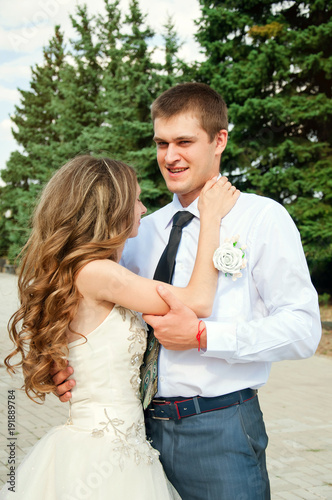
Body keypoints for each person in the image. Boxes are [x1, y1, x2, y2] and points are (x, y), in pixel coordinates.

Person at [54, 83, 322, 500]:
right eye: (161, 142)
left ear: (220, 140)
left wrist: (204, 337)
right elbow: (96, 309)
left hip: (219, 430)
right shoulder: (139, 229)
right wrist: (67, 364)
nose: (170, 156)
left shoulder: (263, 219)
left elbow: (305, 330)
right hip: (134, 432)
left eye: (184, 141)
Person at [1, 155, 239, 500]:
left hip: (114, 441)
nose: (142, 209)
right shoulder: (101, 274)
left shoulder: (86, 271)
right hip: (107, 453)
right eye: (136, 199)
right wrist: (211, 218)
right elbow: (199, 301)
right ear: (111, 210)